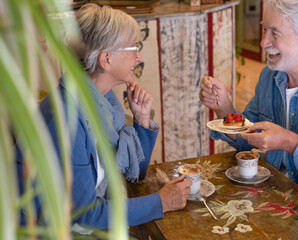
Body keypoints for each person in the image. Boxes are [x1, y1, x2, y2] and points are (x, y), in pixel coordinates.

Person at [16, 3, 191, 229]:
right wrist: (162, 202)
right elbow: (84, 213)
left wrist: (141, 120)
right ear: (106, 59)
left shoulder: (104, 106)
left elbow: (135, 174)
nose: (138, 58)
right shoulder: (68, 119)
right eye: (133, 48)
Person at [200, 0, 298, 228]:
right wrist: (225, 109)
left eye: (275, 33)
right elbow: (251, 139)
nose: (264, 42)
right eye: (265, 29)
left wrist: (290, 142)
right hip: (276, 197)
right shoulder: (270, 76)